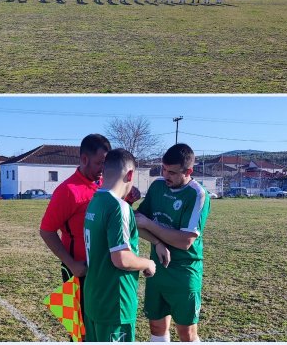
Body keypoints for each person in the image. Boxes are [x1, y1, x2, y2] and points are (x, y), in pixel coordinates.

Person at [135, 143, 211, 342]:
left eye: (172, 172)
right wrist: (157, 243)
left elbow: (185, 241)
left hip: (184, 271)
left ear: (189, 171)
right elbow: (137, 221)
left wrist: (150, 224)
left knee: (186, 332)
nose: (166, 175)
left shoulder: (197, 194)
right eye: (163, 169)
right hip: (157, 268)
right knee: (156, 326)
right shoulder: (157, 186)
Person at [39, 134, 112, 340]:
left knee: (100, 324)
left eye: (106, 163)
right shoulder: (67, 191)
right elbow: (46, 231)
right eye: (99, 163)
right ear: (84, 159)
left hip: (103, 268)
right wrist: (71, 264)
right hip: (79, 270)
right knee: (80, 331)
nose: (103, 168)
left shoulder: (105, 185)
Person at [83, 148, 158, 343]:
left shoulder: (95, 201)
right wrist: (147, 263)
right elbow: (121, 258)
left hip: (94, 298)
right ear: (130, 174)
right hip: (115, 302)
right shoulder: (118, 207)